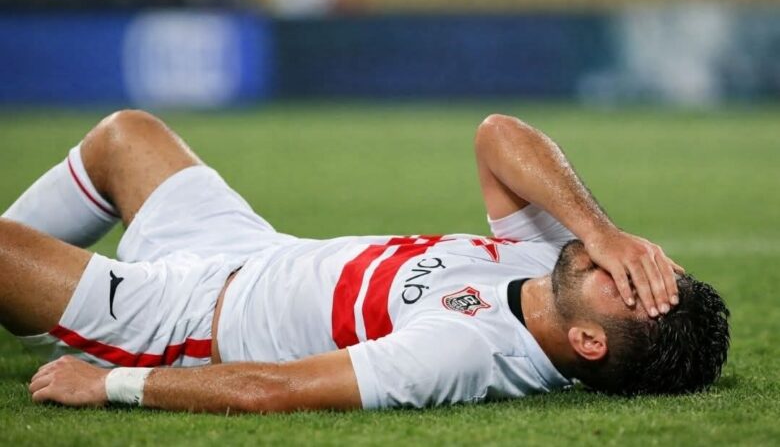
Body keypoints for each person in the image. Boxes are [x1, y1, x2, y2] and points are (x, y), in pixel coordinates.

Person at [0, 110, 729, 413]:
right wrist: (602, 230)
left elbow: (273, 389)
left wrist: (111, 384)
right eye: (650, 266)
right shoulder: (555, 259)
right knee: (126, 136)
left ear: (589, 342)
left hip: (177, 321)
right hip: (250, 249)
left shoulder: (467, 350)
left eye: (631, 288)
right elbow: (497, 135)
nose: (624, 266)